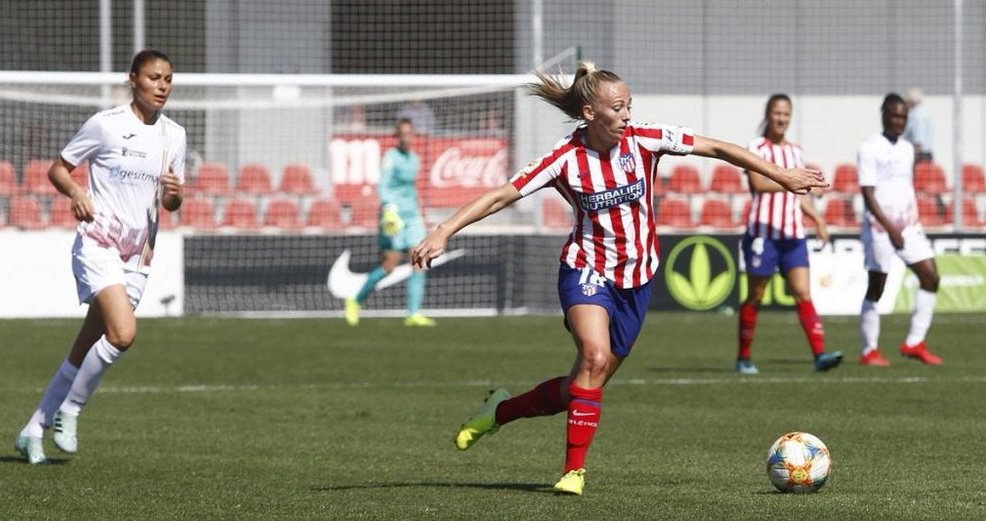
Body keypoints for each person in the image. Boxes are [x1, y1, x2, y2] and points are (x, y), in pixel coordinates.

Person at [410, 62, 827, 495]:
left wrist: (782, 176)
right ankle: (573, 472)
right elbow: (501, 195)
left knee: (579, 389)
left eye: (629, 105)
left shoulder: (646, 139)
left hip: (638, 277)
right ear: (590, 113)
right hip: (586, 270)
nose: (627, 114)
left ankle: (498, 412)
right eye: (618, 107)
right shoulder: (564, 158)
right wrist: (443, 230)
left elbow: (717, 148)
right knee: (594, 356)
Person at [14, 50, 186, 464]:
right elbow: (58, 168)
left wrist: (176, 195)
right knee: (123, 334)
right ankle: (70, 411)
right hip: (99, 242)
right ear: (133, 79)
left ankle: (33, 429)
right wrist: (76, 193)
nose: (162, 86)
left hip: (138, 254)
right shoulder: (106, 126)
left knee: (85, 346)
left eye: (167, 79)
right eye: (153, 78)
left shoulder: (173, 135)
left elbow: (171, 201)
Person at [735, 94, 843, 374]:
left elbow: (799, 195)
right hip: (763, 233)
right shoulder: (756, 146)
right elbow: (758, 183)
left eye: (786, 114)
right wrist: (792, 182)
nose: (781, 119)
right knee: (756, 296)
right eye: (777, 113)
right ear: (768, 115)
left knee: (803, 292)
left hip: (792, 234)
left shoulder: (795, 151)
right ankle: (744, 357)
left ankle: (820, 355)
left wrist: (817, 219)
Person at [857, 93, 942, 366]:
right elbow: (868, 194)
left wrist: (911, 219)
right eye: (894, 115)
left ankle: (914, 342)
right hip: (879, 229)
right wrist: (889, 227)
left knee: (931, 277)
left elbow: (904, 188)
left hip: (908, 228)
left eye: (903, 117)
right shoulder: (869, 148)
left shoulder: (907, 149)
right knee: (876, 289)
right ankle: (869, 350)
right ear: (883, 114)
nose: (899, 121)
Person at [344, 118, 436, 327]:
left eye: (409, 133)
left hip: (412, 217)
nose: (405, 137)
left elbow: (411, 189)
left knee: (419, 260)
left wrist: (421, 214)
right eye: (402, 133)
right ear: (397, 136)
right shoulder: (390, 157)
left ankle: (413, 314)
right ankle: (355, 301)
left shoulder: (414, 159)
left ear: (413, 136)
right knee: (389, 266)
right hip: (392, 216)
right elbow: (383, 185)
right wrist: (388, 208)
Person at [902, 88, 933, 163]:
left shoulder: (916, 115)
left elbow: (918, 141)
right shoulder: (925, 113)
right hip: (925, 154)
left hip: (920, 156)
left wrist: (914, 159)